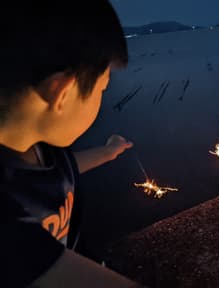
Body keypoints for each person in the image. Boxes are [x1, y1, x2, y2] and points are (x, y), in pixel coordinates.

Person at [0, 1, 141, 287]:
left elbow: (57, 172)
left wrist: (107, 152)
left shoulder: (36, 145)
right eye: (103, 88)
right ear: (62, 93)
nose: (102, 97)